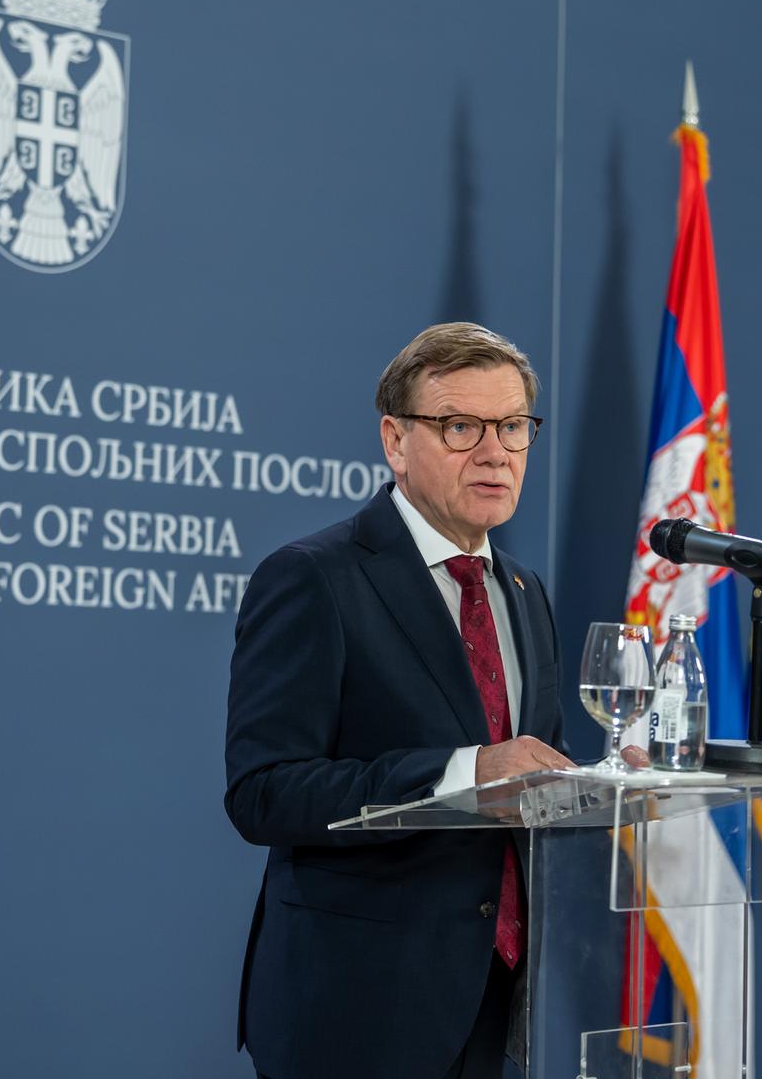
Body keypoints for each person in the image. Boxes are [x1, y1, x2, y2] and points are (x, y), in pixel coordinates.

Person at [224, 322, 576, 1079]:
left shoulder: (524, 591)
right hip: (356, 1007)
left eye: (514, 426)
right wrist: (464, 772)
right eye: (461, 426)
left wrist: (603, 785)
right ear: (395, 440)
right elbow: (264, 793)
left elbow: (525, 773)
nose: (495, 451)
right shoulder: (314, 577)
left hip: (495, 998)